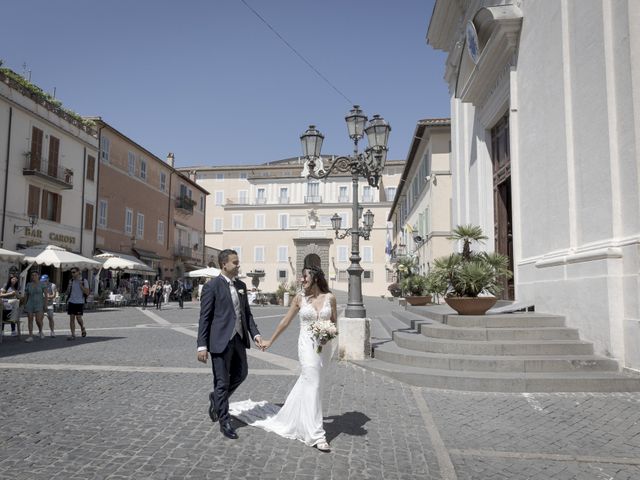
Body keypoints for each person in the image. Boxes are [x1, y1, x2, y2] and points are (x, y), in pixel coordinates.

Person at [229, 265, 337, 452]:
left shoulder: (330, 298)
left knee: (314, 384)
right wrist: (270, 340)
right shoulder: (299, 298)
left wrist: (329, 333)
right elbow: (285, 322)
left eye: (305, 277)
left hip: (324, 348)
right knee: (313, 383)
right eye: (301, 277)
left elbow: (334, 322)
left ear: (316, 278)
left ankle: (298, 417)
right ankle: (317, 434)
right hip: (306, 346)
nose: (301, 280)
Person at [197, 249, 262, 440]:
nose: (238, 265)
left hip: (238, 339)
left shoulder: (241, 285)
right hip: (219, 341)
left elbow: (246, 314)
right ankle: (224, 421)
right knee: (222, 382)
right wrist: (202, 345)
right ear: (224, 264)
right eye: (235, 262)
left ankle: (216, 398)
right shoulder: (212, 287)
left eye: (238, 261)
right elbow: (205, 318)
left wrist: (256, 334)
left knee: (242, 374)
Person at [66, 268, 89, 340]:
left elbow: (87, 292)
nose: (72, 274)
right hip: (71, 301)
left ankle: (82, 327)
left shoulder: (84, 281)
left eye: (74, 272)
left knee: (78, 318)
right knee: (71, 318)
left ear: (79, 272)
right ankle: (73, 334)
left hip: (79, 302)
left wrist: (81, 285)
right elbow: (68, 291)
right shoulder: (71, 281)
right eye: (71, 272)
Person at [23, 271, 47, 342]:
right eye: (32, 275)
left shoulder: (42, 284)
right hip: (30, 303)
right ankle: (30, 336)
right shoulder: (28, 284)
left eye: (35, 275)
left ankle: (40, 331)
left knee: (38, 320)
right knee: (30, 320)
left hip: (39, 303)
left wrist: (45, 305)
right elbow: (26, 295)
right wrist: (24, 304)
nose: (33, 276)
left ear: (38, 276)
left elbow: (46, 295)